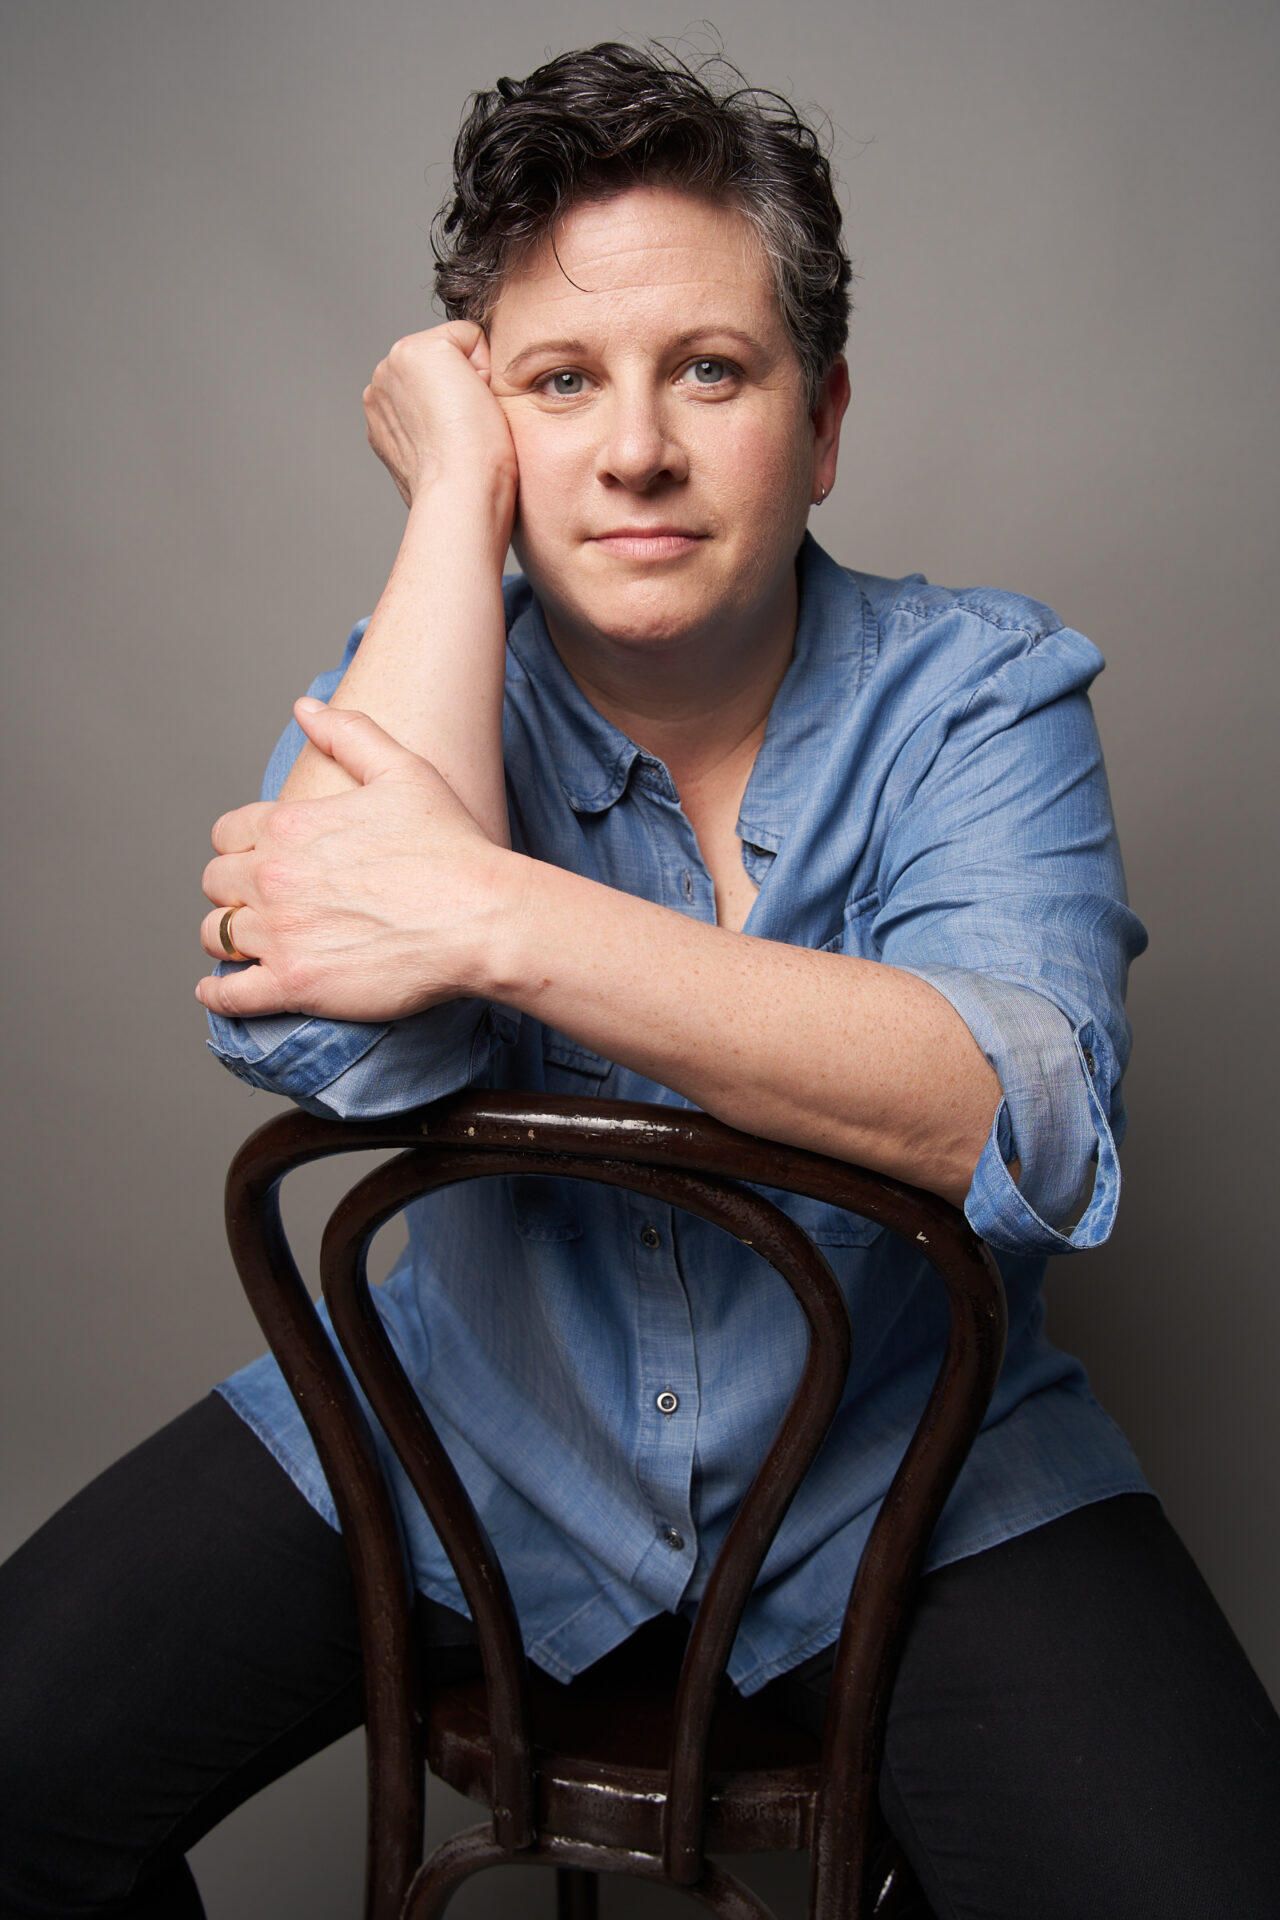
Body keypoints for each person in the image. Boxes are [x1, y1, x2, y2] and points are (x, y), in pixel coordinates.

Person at [2, 41, 1278, 1920]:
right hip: (453, 1441)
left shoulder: (982, 691)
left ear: (822, 420)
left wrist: (491, 912)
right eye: (555, 384)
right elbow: (335, 1038)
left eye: (709, 371)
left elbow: (1030, 1109)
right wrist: (448, 504)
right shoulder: (431, 663)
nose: (635, 452)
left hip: (901, 1482)